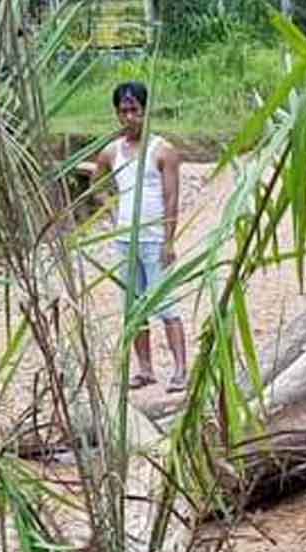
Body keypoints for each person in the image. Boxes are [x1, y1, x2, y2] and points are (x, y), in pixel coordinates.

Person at [92, 81, 187, 392]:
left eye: (134, 110)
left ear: (145, 111)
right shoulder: (111, 152)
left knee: (166, 305)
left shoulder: (163, 151)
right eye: (123, 111)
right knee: (133, 308)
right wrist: (112, 213)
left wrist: (169, 241)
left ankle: (180, 370)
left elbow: (171, 197)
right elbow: (96, 186)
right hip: (125, 241)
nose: (129, 117)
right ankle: (145, 370)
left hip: (154, 239)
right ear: (117, 114)